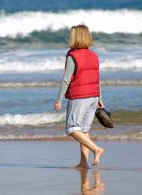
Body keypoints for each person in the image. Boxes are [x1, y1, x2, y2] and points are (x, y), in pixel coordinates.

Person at [54, 24, 104, 168]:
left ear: (75, 37)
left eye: (71, 35)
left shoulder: (72, 56)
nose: (69, 37)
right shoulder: (94, 55)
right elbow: (97, 79)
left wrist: (59, 99)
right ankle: (83, 163)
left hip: (79, 97)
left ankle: (96, 149)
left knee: (72, 129)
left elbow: (66, 79)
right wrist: (100, 99)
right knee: (84, 130)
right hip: (94, 96)